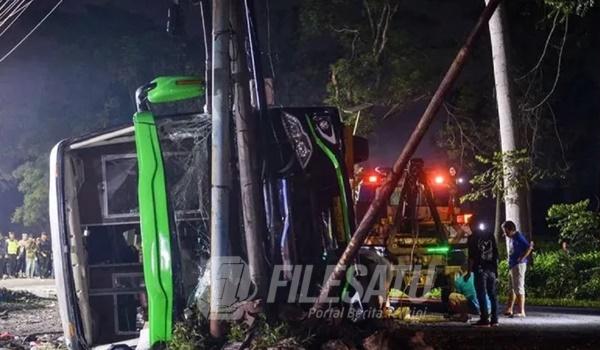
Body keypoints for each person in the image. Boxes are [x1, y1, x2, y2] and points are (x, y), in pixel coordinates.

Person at [468, 226, 499, 327]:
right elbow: (496, 254)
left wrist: (469, 271)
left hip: (480, 269)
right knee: (492, 295)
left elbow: (471, 257)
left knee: (481, 294)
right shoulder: (491, 235)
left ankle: (484, 319)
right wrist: (496, 271)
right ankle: (494, 320)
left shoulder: (473, 238)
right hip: (492, 269)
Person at [502, 220, 534, 317]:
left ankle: (521, 311)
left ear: (511, 229)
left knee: (519, 287)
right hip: (513, 265)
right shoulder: (512, 237)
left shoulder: (518, 237)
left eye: (506, 231)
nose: (505, 233)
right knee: (512, 288)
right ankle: (510, 309)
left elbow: (529, 247)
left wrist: (522, 258)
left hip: (519, 265)